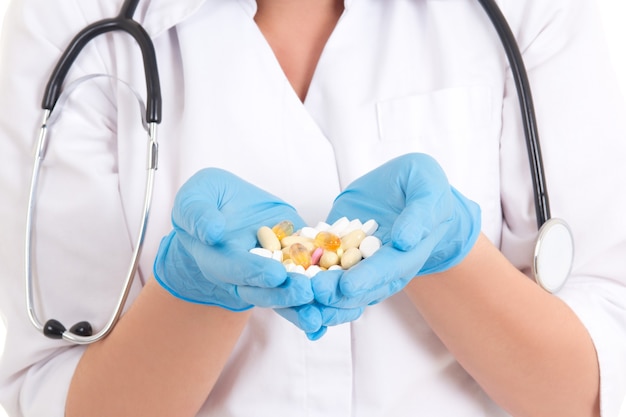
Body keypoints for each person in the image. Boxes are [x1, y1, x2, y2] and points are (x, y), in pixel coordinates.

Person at [0, 0, 625, 416]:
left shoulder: (534, 10)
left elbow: (596, 385)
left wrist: (450, 258)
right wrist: (190, 296)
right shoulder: (71, 24)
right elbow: (45, 391)